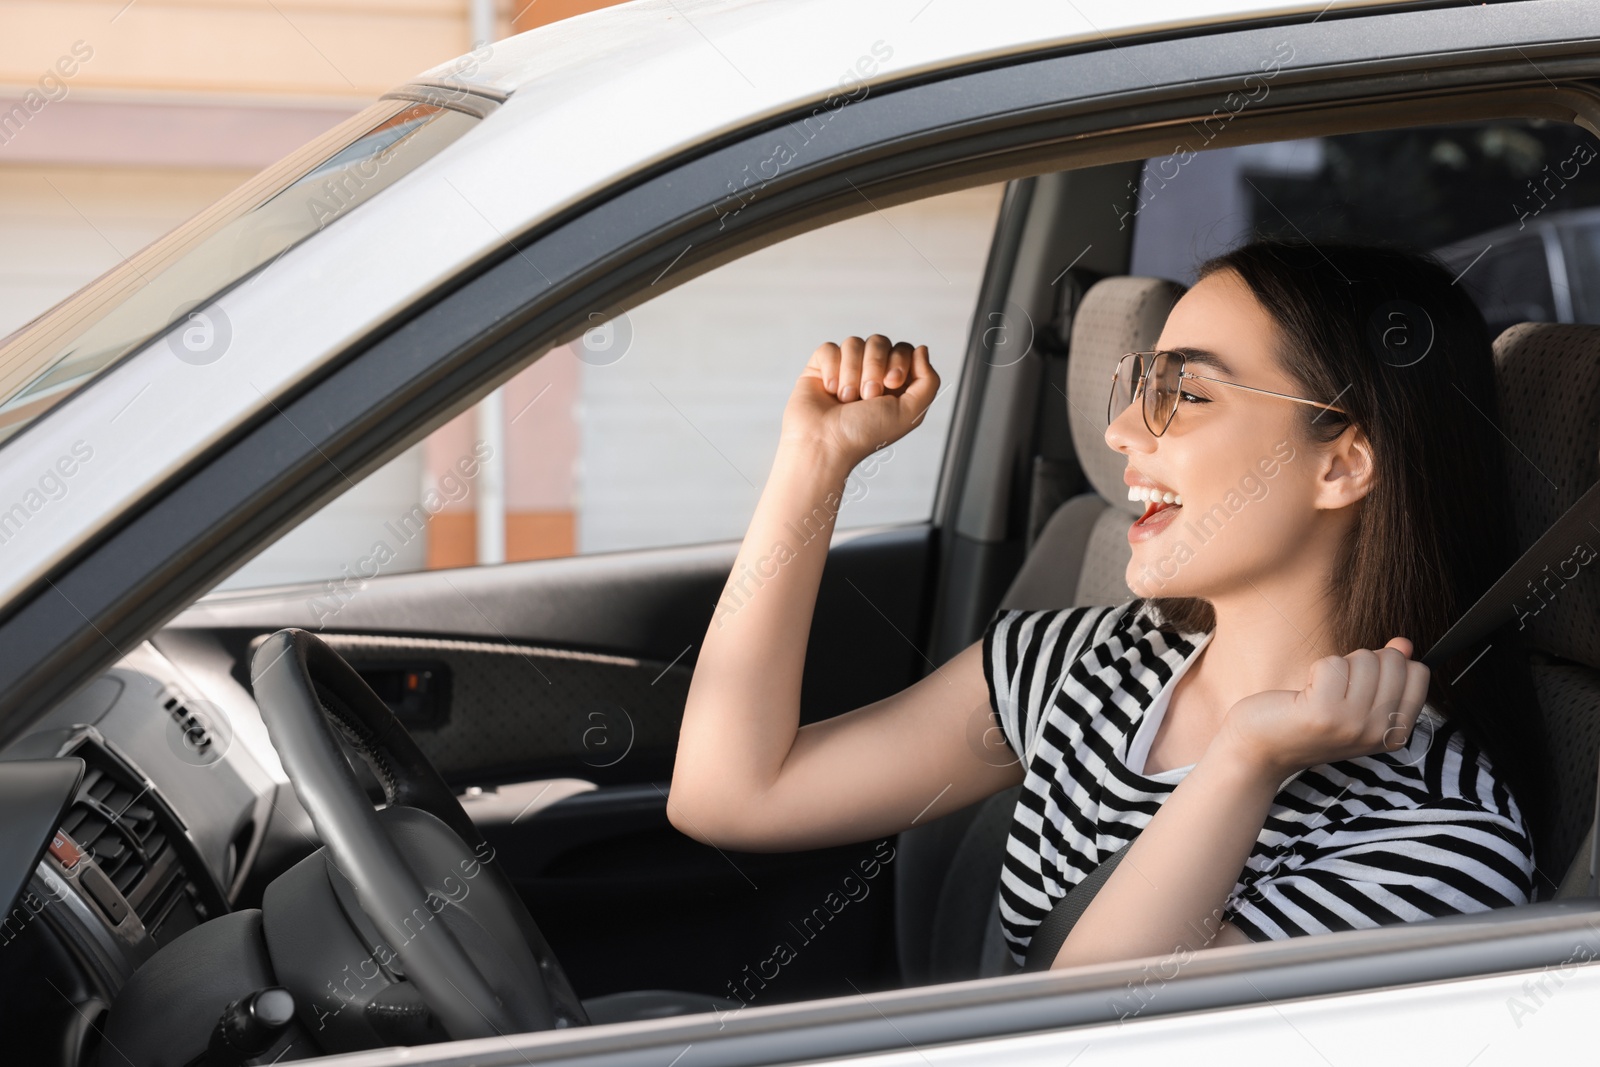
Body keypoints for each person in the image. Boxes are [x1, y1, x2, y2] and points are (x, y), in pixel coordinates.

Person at [668, 238, 1550, 971]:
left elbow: (1089, 1039)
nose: (1122, 430)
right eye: (1136, 386)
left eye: (1184, 393)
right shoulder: (1088, 665)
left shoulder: (1438, 836)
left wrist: (1244, 760)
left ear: (1342, 463)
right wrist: (814, 464)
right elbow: (728, 794)